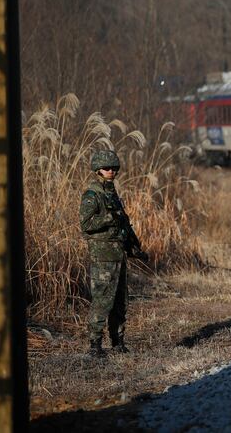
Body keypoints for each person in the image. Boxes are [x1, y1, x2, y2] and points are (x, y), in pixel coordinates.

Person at [79, 150, 148, 358]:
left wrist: (133, 247)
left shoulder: (112, 193)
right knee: (102, 300)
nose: (111, 171)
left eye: (114, 168)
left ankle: (118, 342)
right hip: (103, 255)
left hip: (118, 254)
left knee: (120, 301)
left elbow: (123, 224)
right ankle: (95, 345)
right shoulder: (92, 195)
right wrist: (108, 219)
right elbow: (86, 225)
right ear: (98, 170)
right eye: (107, 168)